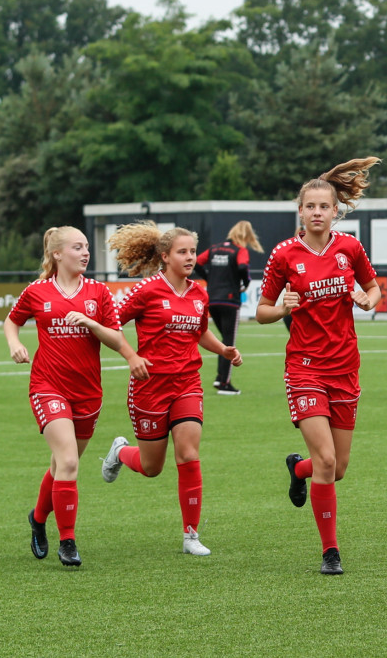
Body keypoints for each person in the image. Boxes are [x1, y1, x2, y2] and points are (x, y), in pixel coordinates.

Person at [257, 157, 383, 575]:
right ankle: (331, 552)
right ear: (300, 210)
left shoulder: (349, 248)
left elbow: (373, 288)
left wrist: (370, 299)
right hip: (305, 368)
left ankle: (298, 469)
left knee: (337, 468)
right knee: (327, 461)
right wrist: (281, 308)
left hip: (345, 366)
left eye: (323, 206)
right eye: (309, 206)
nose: (316, 212)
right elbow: (260, 312)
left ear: (335, 211)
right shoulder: (284, 255)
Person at [5, 226, 149, 567]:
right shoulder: (37, 291)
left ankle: (38, 519)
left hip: (87, 392)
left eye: (87, 247)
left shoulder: (98, 292)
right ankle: (67, 542)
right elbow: (12, 322)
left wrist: (90, 323)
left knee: (61, 466)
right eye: (77, 247)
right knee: (68, 461)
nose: (85, 253)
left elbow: (115, 336)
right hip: (48, 387)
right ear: (57, 254)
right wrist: (15, 344)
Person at [100, 222, 243, 556]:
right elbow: (111, 327)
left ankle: (190, 535)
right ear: (165, 256)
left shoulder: (199, 293)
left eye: (193, 251)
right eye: (183, 252)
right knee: (152, 468)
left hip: (187, 384)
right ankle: (121, 451)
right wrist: (132, 356)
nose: (190, 257)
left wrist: (223, 349)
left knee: (189, 454)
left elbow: (200, 332)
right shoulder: (146, 290)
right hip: (150, 386)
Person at [196, 220, 262, 394]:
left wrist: (208, 278)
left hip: (212, 299)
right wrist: (246, 282)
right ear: (246, 236)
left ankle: (220, 379)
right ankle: (225, 384)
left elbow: (197, 262)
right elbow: (242, 266)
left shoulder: (214, 248)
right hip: (230, 300)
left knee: (224, 342)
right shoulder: (240, 250)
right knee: (229, 343)